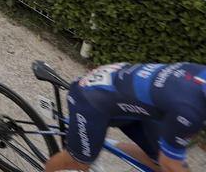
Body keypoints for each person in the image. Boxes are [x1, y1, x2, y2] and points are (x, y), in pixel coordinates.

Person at [43, 62, 206, 171]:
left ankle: (101, 142)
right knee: (79, 162)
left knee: (159, 164)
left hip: (129, 98)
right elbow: (170, 163)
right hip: (92, 100)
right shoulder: (189, 111)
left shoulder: (200, 74)